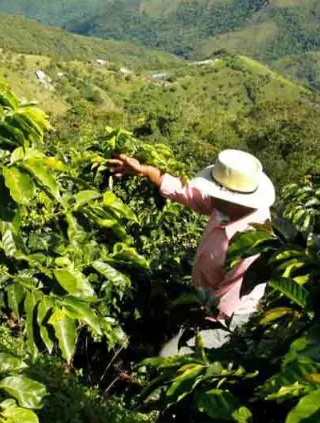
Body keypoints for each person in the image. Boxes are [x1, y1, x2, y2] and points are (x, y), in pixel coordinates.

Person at [108, 149, 275, 356]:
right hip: (205, 298)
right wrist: (146, 172)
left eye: (216, 192)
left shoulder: (251, 243)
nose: (210, 195)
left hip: (227, 318)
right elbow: (192, 196)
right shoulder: (227, 207)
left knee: (168, 359)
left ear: (236, 200)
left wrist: (197, 321)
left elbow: (226, 306)